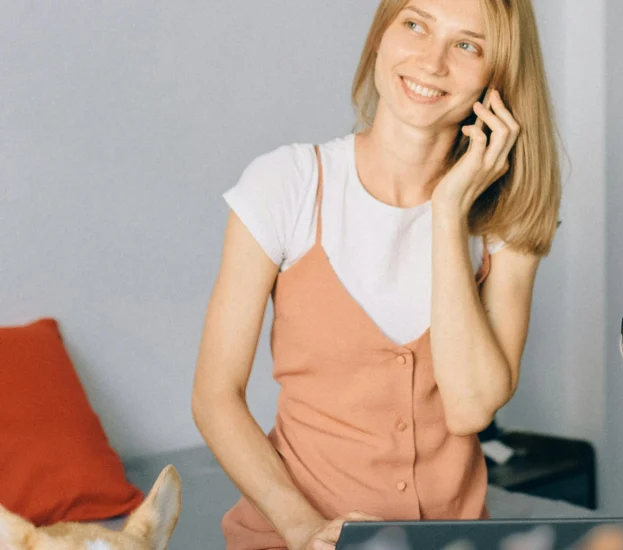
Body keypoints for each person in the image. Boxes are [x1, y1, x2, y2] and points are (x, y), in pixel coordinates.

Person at [192, 0, 561, 549]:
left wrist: (448, 209)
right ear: (380, 38)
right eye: (415, 25)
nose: (431, 61)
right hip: (292, 536)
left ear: (498, 79)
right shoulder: (287, 184)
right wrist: (302, 526)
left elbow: (470, 407)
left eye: (467, 45)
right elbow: (215, 395)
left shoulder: (505, 222)